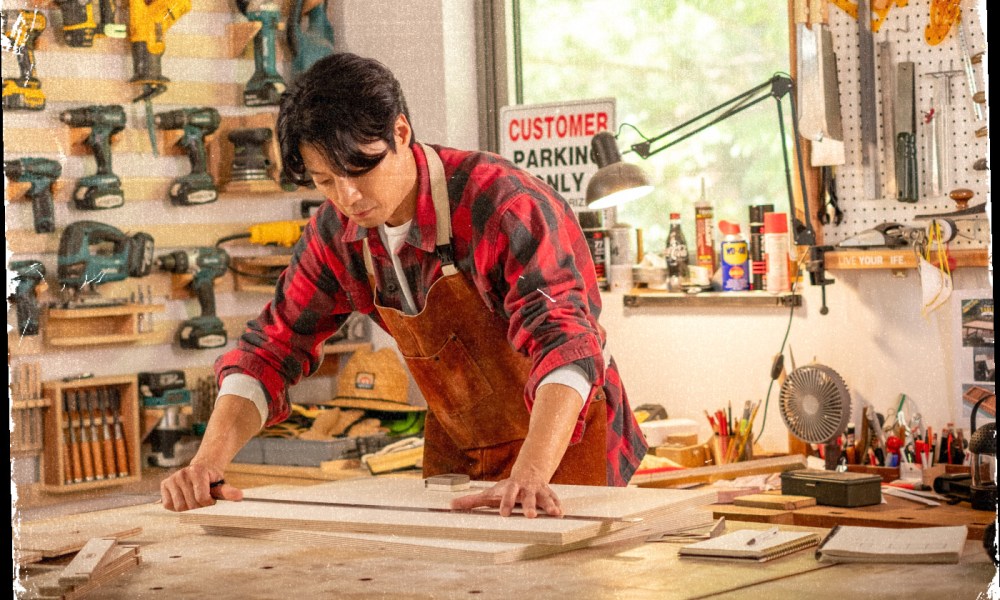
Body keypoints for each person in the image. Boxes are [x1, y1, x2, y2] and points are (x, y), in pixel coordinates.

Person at [160, 52, 647, 517]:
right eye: (324, 180)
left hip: (561, 447)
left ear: (401, 132)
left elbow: (565, 343)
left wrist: (533, 470)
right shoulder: (335, 234)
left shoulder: (503, 205)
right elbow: (272, 349)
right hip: (459, 446)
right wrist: (206, 464)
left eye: (361, 168)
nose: (348, 196)